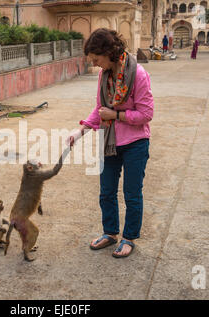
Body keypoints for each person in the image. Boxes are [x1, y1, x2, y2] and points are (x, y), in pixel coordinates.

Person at [67, 28, 153, 258]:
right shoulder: (103, 76)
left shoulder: (139, 74)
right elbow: (100, 109)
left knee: (132, 194)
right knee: (106, 192)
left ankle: (128, 238)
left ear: (109, 52)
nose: (94, 64)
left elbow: (146, 114)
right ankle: (110, 233)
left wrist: (116, 116)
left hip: (135, 142)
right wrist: (81, 130)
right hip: (109, 142)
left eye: (96, 59)